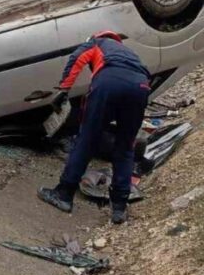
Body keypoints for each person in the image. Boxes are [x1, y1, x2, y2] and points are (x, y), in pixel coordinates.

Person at [37, 31, 151, 225]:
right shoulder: (129, 53)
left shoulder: (97, 42)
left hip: (108, 83)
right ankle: (119, 208)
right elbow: (144, 75)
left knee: (87, 140)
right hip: (140, 87)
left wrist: (64, 89)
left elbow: (77, 58)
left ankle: (64, 194)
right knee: (125, 146)